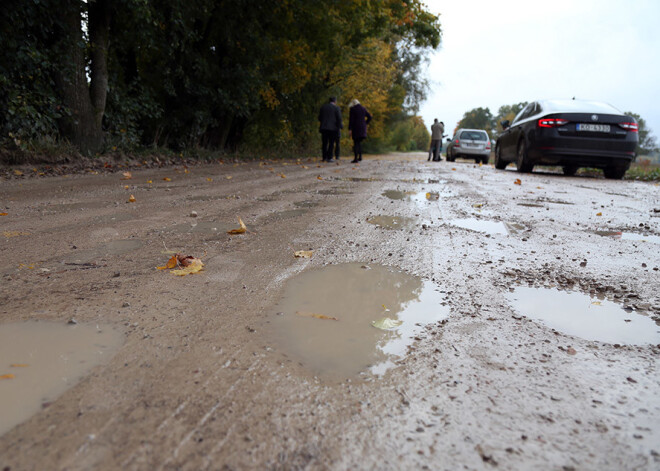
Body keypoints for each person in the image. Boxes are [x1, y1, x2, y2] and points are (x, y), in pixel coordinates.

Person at [318, 97, 343, 162]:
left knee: (324, 143)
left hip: (324, 127)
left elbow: (319, 117)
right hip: (333, 128)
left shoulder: (323, 107)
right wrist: (340, 126)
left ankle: (324, 157)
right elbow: (339, 118)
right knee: (331, 143)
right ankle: (330, 157)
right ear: (335, 101)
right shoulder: (336, 108)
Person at [348, 99, 372, 163]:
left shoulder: (352, 109)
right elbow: (370, 117)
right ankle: (360, 157)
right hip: (362, 128)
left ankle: (355, 158)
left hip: (356, 128)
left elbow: (351, 120)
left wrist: (350, 129)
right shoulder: (363, 108)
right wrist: (365, 123)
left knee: (356, 142)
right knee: (359, 142)